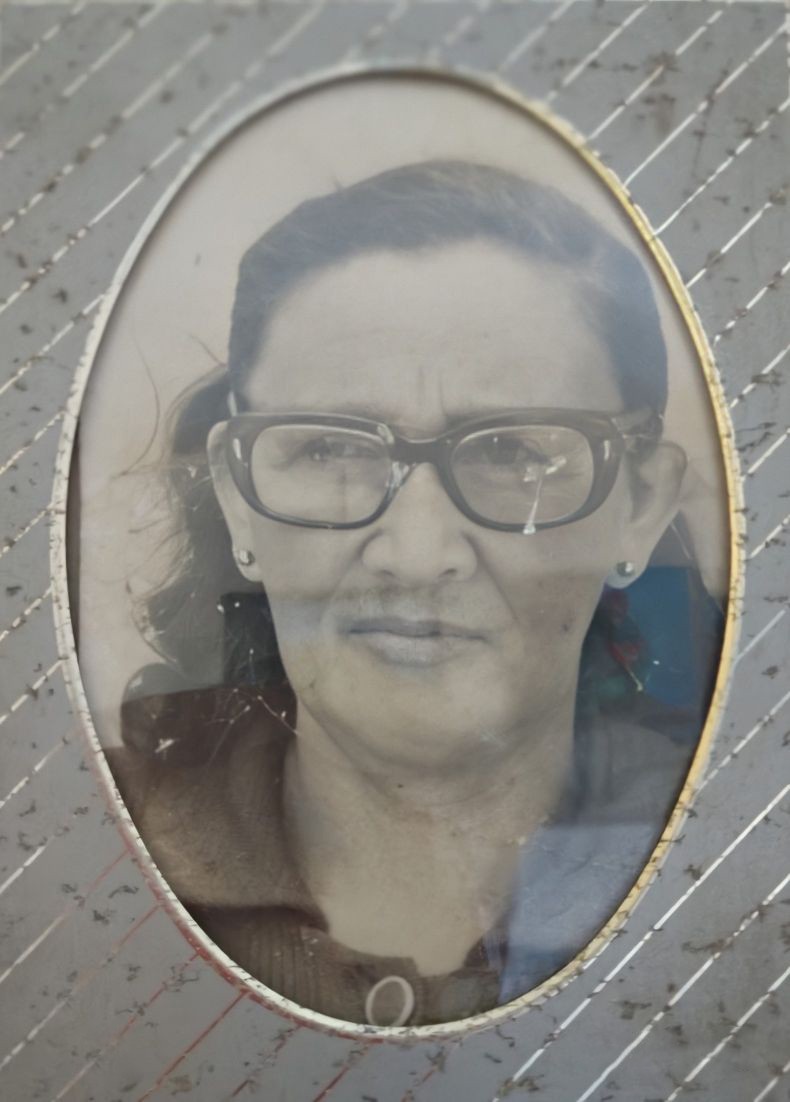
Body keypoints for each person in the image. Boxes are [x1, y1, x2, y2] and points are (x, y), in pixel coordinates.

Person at [108, 161, 720, 1027]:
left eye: (511, 452)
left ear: (640, 504)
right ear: (239, 500)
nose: (418, 554)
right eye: (329, 450)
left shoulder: (746, 851)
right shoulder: (66, 851)